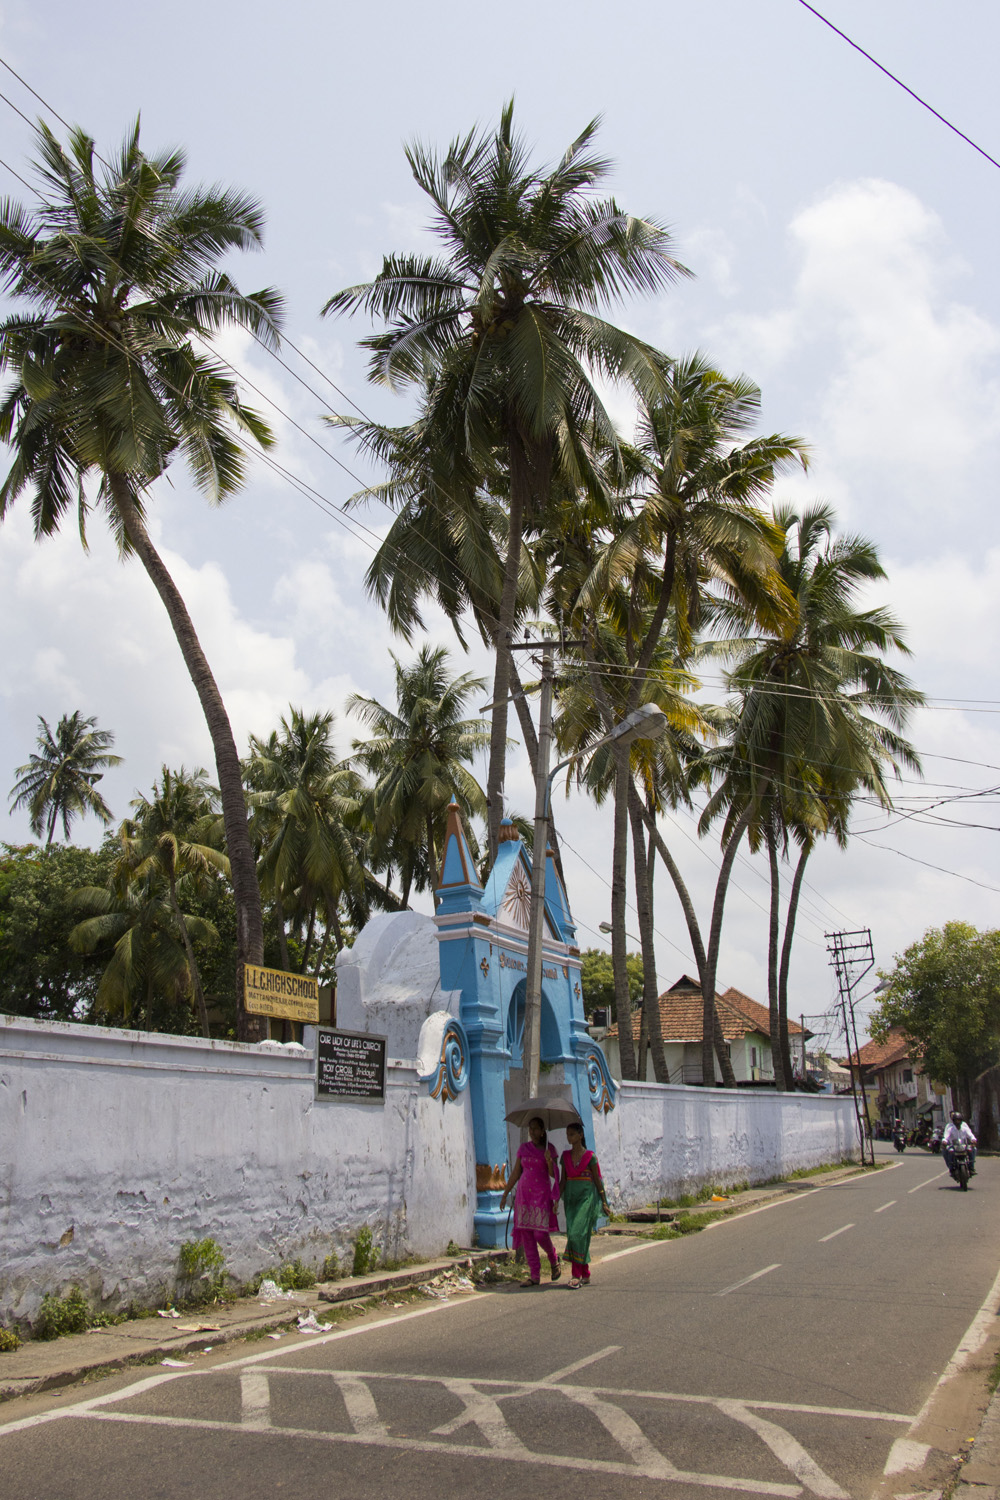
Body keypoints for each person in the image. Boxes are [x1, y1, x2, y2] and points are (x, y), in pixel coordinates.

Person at [500, 1116, 561, 1287]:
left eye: (535, 1129)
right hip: (524, 1197)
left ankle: (553, 1258)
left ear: (542, 1131)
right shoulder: (524, 1149)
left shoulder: (550, 1150)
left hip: (541, 1195)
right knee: (527, 1235)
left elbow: (553, 1175)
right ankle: (534, 1275)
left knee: (540, 1234)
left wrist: (549, 1161)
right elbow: (516, 1173)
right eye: (530, 1128)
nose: (532, 1132)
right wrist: (505, 1194)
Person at [560, 1120, 610, 1289]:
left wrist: (604, 1202)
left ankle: (576, 1275)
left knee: (576, 1234)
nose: (569, 1137)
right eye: (567, 1134)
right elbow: (563, 1181)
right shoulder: (565, 1157)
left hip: (586, 1199)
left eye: (572, 1134)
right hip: (571, 1199)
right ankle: (586, 1273)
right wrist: (555, 1200)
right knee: (577, 1234)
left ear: (580, 1135)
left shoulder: (590, 1157)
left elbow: (597, 1180)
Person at [942, 1111, 977, 1175]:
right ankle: (951, 1167)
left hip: (964, 1145)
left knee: (972, 1149)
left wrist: (973, 1140)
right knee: (950, 1151)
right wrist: (944, 1141)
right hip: (954, 1146)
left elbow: (971, 1135)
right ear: (953, 1120)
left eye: (959, 1120)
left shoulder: (964, 1128)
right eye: (956, 1120)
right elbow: (946, 1136)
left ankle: (971, 1167)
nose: (957, 1122)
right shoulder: (950, 1128)